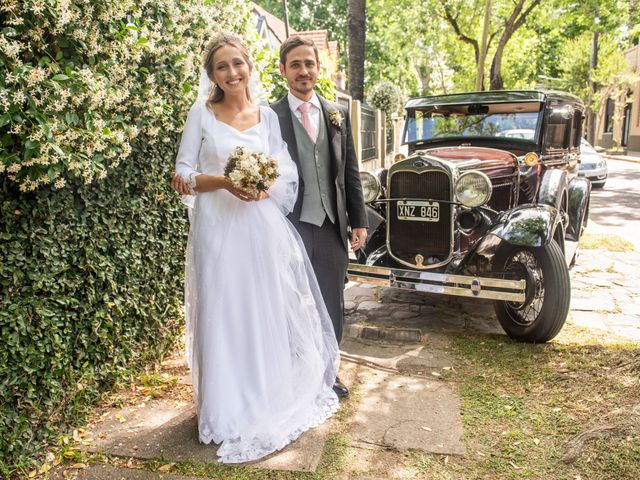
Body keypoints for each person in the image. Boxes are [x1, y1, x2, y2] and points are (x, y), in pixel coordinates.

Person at [171, 32, 340, 464]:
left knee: (262, 308)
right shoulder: (202, 114)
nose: (232, 73)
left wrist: (261, 185)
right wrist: (226, 181)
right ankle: (224, 408)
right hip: (217, 228)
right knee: (222, 310)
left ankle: (264, 396)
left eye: (237, 64)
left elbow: (285, 173)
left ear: (250, 66)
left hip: (259, 227)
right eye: (222, 67)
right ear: (211, 75)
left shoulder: (266, 117)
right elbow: (182, 176)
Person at [270, 36, 369, 398]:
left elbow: (350, 172)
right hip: (289, 226)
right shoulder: (271, 116)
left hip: (330, 227)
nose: (303, 71)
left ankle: (329, 373)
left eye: (309, 63)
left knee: (331, 304)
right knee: (289, 302)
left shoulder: (335, 114)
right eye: (295, 64)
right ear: (283, 71)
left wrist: (358, 220)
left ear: (318, 68)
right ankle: (296, 374)